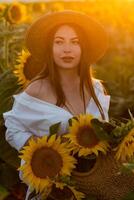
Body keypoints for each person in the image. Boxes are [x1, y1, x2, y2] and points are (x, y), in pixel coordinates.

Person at [3, 10, 110, 200]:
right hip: (51, 191)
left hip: (94, 188)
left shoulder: (97, 88)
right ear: (50, 48)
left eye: (74, 42)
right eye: (59, 42)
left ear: (83, 47)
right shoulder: (38, 88)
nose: (66, 49)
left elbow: (104, 135)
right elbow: (13, 129)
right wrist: (43, 151)